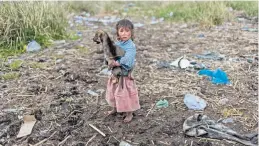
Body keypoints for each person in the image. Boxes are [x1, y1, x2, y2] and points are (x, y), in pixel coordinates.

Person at [105, 19, 140, 123]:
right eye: (121, 31)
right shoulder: (118, 43)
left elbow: (128, 59)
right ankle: (115, 108)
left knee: (125, 94)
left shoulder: (131, 46)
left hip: (124, 73)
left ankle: (129, 113)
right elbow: (112, 52)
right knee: (113, 91)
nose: (124, 34)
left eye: (127, 31)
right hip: (116, 73)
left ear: (131, 32)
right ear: (117, 32)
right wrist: (110, 58)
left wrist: (117, 62)